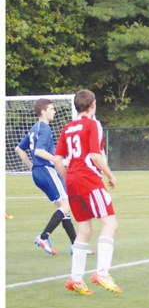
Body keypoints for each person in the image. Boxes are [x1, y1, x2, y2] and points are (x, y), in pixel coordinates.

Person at [54, 89, 122, 295]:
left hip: (73, 180)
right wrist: (110, 175)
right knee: (110, 223)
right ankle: (101, 273)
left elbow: (58, 159)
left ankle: (75, 278)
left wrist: (68, 180)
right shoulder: (93, 125)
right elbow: (95, 155)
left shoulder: (67, 128)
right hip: (88, 180)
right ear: (93, 106)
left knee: (85, 230)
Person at [15, 98, 77, 255]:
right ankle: (43, 237)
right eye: (51, 109)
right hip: (46, 170)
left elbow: (18, 149)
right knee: (68, 205)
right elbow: (39, 151)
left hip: (38, 172)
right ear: (43, 111)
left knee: (64, 208)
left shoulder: (34, 128)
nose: (54, 111)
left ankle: (76, 245)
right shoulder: (44, 128)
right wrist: (60, 160)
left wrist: (32, 167)